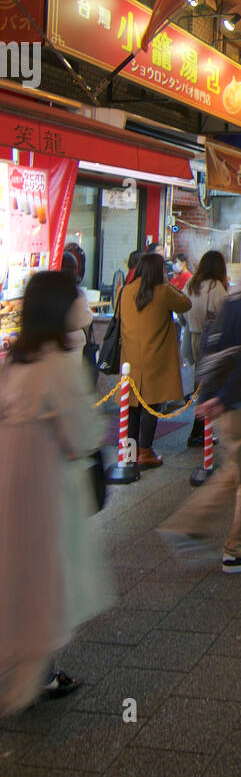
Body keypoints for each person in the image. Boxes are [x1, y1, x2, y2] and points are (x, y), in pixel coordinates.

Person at [0, 271, 114, 714]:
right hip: (43, 489)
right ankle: (29, 682)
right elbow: (81, 433)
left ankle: (28, 671)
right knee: (43, 580)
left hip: (10, 483)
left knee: (16, 573)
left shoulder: (15, 359)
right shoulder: (57, 365)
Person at [159, 232, 241, 573]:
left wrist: (210, 394)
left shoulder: (237, 294)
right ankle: (239, 550)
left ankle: (187, 527)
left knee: (236, 471)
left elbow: (218, 344)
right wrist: (223, 397)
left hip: (230, 398)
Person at [118, 252, 191, 470]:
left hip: (130, 359)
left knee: (131, 407)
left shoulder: (126, 291)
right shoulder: (163, 291)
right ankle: (146, 452)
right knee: (150, 406)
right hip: (156, 358)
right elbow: (185, 304)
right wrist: (168, 283)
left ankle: (129, 453)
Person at [185, 252, 229, 451]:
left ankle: (199, 431)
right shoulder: (216, 287)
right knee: (208, 386)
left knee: (201, 384)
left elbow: (181, 308)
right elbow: (225, 314)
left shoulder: (191, 284)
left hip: (192, 336)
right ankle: (199, 432)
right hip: (210, 340)